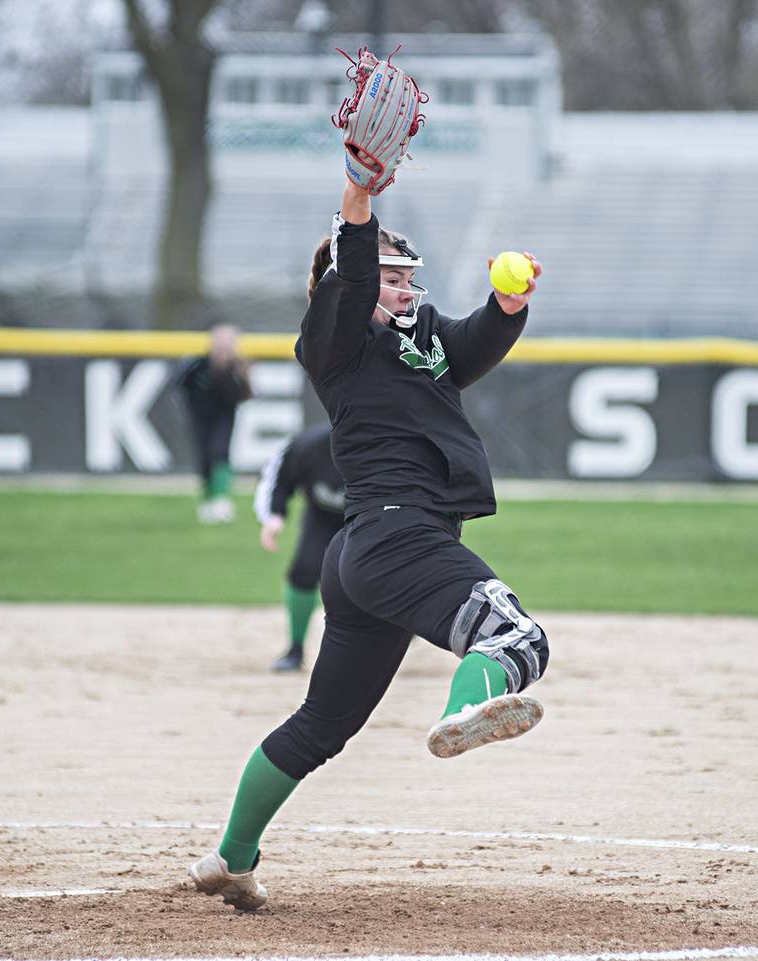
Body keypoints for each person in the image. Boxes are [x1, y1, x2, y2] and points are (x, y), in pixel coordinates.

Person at [187, 60, 549, 911]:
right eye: (393, 275)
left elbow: (467, 347)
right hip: (397, 536)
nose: (408, 285)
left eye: (410, 275)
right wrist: (358, 198)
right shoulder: (335, 338)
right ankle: (467, 709)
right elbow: (350, 275)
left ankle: (230, 855)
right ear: (347, 288)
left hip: (363, 557)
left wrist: (508, 304)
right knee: (516, 641)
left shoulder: (417, 343)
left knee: (320, 727)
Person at [253, 422, 345, 672]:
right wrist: (274, 516)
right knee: (304, 570)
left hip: (371, 518)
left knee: (380, 577)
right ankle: (295, 649)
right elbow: (280, 480)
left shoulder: (386, 444)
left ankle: (403, 625)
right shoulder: (310, 446)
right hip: (322, 517)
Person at [175, 325, 252, 524]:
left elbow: (245, 395)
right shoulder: (196, 364)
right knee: (204, 458)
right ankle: (208, 500)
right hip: (200, 417)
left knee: (219, 452)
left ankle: (222, 500)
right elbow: (179, 385)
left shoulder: (236, 367)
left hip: (223, 417)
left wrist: (242, 376)